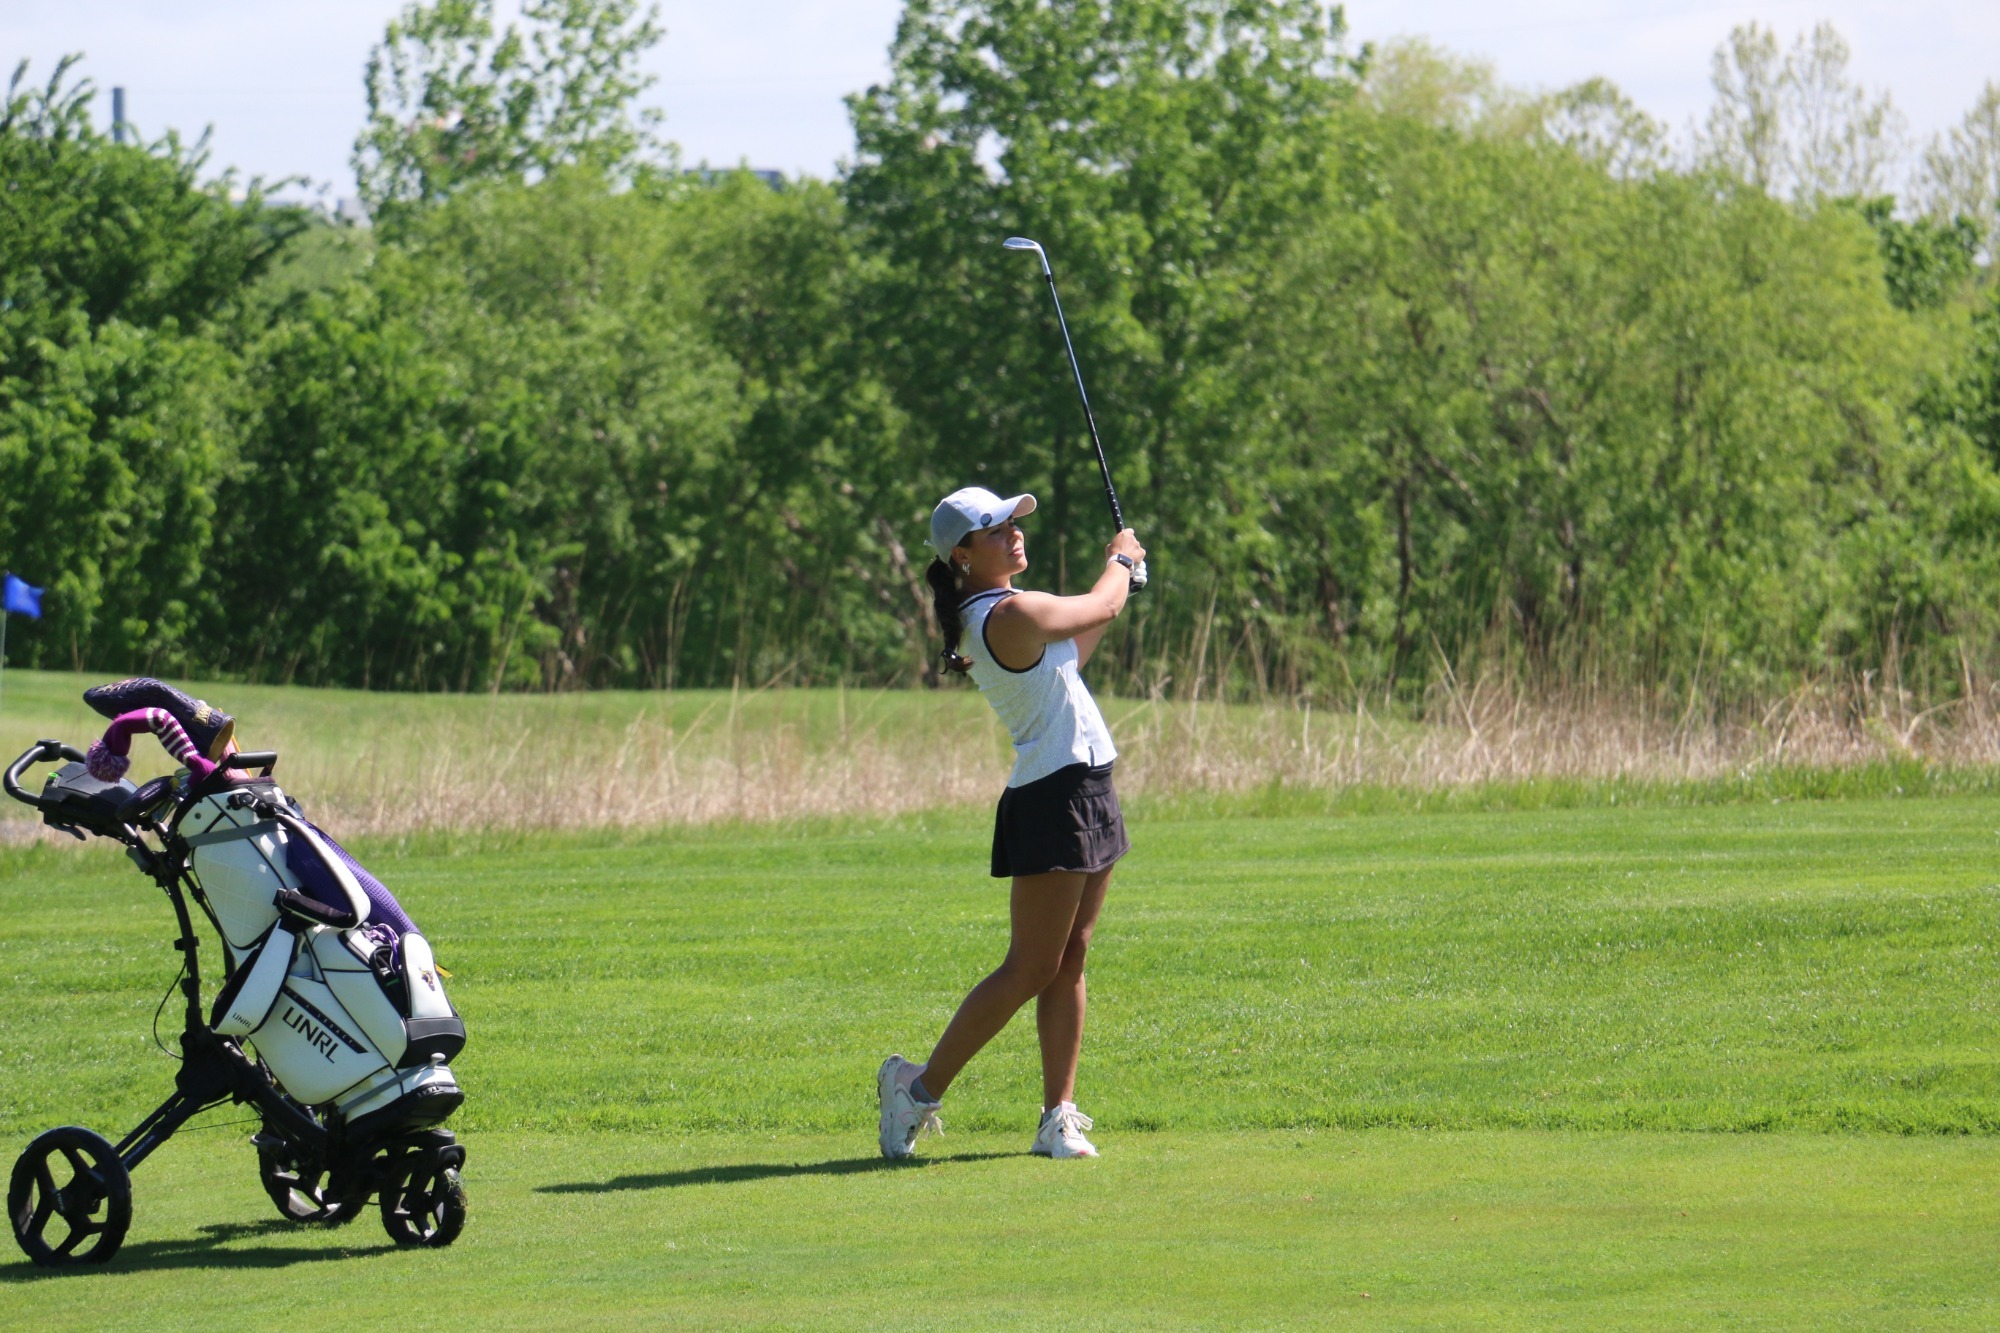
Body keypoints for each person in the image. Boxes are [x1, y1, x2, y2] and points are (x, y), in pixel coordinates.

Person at [877, 485, 1146, 1160]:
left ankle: (1057, 1114)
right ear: (963, 555)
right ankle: (915, 1089)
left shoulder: (1005, 614)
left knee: (1070, 956)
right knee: (1030, 966)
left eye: (1012, 524)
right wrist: (1121, 560)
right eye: (996, 530)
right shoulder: (1005, 613)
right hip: (1052, 797)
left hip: (1089, 783)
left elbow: (1071, 655)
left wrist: (1119, 585)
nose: (1013, 535)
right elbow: (1100, 602)